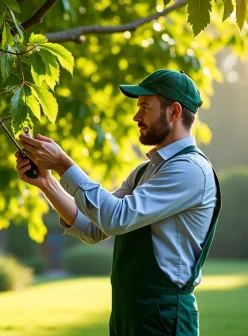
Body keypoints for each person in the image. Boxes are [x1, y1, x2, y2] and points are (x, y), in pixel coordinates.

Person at [15, 69, 221, 336]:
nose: (136, 116)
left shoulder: (190, 170)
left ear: (174, 112)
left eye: (145, 107)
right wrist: (48, 183)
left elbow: (117, 218)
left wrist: (65, 164)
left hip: (164, 317)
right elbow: (95, 227)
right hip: (130, 313)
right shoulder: (143, 172)